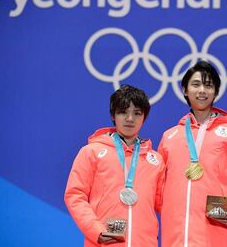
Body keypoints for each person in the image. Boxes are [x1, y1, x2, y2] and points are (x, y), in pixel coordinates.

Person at [158, 60, 227, 247]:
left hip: (215, 228)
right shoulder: (169, 136)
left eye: (208, 86)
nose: (202, 91)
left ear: (215, 92)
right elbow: (158, 185)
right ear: (185, 90)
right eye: (196, 84)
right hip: (175, 232)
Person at [64, 85, 165, 247]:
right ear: (113, 115)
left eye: (137, 113)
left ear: (144, 117)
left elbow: (167, 205)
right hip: (104, 242)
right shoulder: (92, 152)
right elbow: (75, 196)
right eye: (123, 112)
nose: (130, 118)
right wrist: (96, 230)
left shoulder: (156, 161)